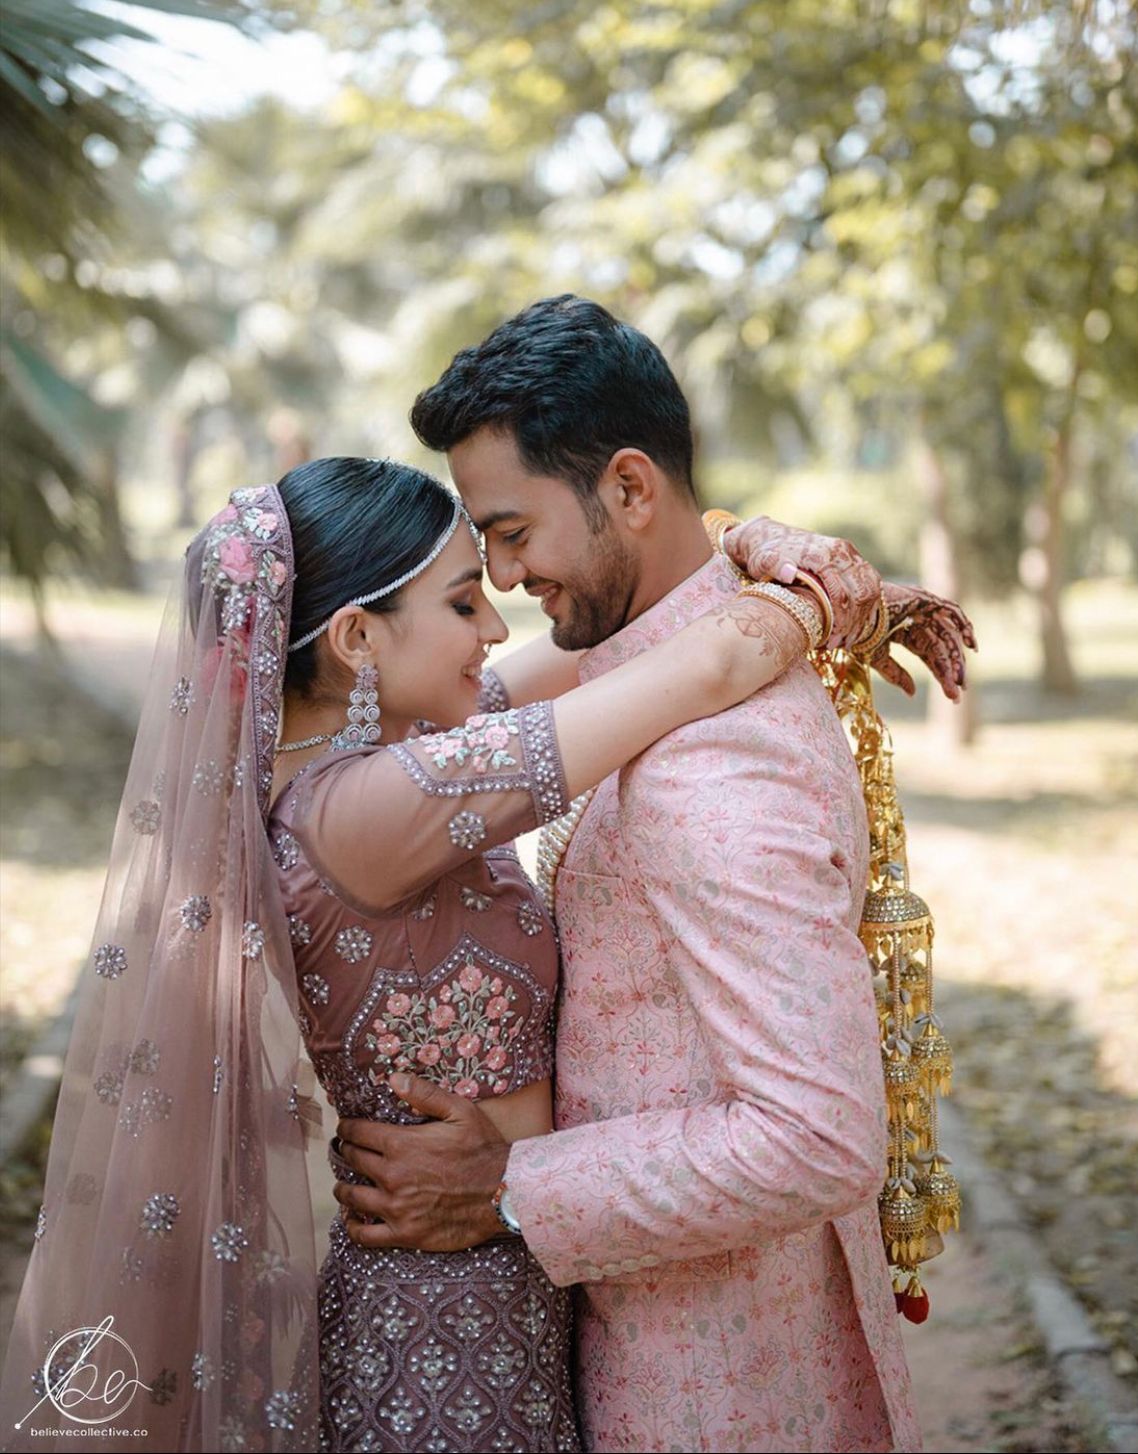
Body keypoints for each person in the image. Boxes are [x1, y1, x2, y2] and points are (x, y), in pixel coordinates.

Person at [0, 450, 953, 1454]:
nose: (497, 627)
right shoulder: (368, 809)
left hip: (505, 1279)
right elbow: (705, 664)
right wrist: (829, 594)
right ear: (358, 638)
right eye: (463, 603)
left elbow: (634, 632)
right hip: (438, 1316)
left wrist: (757, 544)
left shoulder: (404, 759)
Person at [330, 296, 976, 1454]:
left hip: (716, 1379)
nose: (507, 577)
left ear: (630, 487)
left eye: (514, 533)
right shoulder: (657, 663)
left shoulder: (710, 762)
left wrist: (511, 1186)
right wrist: (762, 546)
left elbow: (819, 1134)